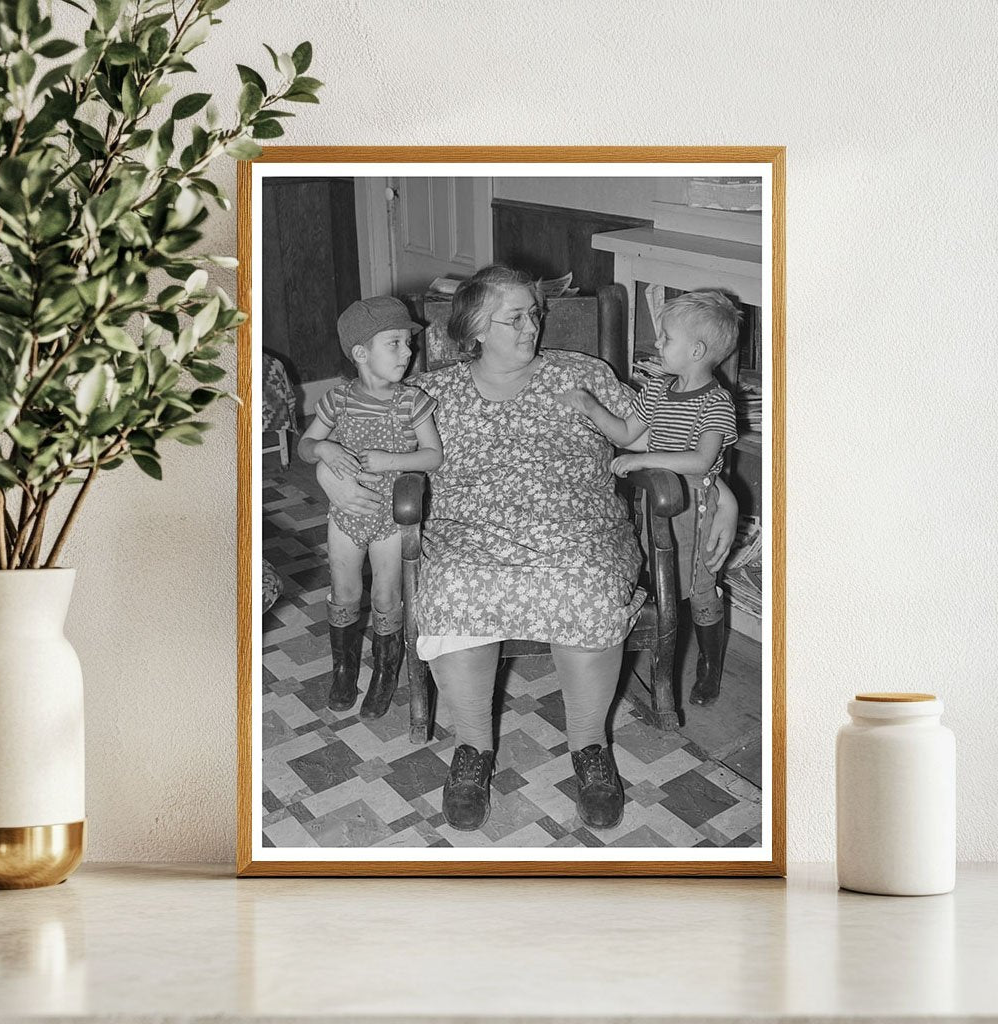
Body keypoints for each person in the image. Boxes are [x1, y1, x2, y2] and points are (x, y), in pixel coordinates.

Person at [315, 267, 738, 835]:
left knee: (586, 582)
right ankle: (472, 750)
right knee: (456, 586)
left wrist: (725, 491)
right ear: (474, 329)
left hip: (576, 525)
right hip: (469, 529)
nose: (531, 324)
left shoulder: (581, 373)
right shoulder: (431, 395)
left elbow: (661, 434)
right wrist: (327, 471)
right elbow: (349, 439)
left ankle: (589, 748)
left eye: (533, 313)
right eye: (514, 316)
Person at [557, 288, 741, 708]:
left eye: (666, 339)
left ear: (696, 350)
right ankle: (656, 652)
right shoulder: (658, 389)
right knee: (655, 576)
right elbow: (624, 433)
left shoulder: (716, 403)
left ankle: (710, 668)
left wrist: (645, 461)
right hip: (655, 501)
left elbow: (701, 460)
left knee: (699, 587)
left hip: (696, 507)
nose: (657, 345)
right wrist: (589, 405)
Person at [298, 296, 443, 720]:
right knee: (345, 591)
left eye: (408, 343)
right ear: (361, 353)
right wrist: (323, 446)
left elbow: (433, 455)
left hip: (390, 518)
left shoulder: (412, 402)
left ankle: (384, 670)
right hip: (345, 516)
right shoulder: (337, 400)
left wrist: (391, 461)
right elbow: (305, 446)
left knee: (385, 594)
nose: (408, 351)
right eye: (394, 343)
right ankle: (344, 668)